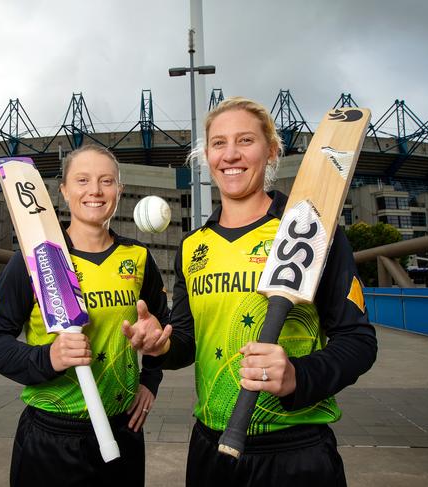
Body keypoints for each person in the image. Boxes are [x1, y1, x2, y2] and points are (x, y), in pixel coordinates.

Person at [123, 97, 378, 486]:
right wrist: (162, 346)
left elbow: (358, 340)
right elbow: (189, 341)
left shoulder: (311, 230)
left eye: (245, 141)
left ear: (271, 151)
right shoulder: (193, 246)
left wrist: (298, 375)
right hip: (211, 444)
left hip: (295, 450)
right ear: (206, 155)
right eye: (219, 143)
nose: (231, 155)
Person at [0, 145, 169, 487]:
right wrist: (46, 357)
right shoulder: (33, 260)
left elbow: (163, 329)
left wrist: (150, 379)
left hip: (122, 428)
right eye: (82, 180)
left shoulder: (138, 257)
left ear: (119, 190)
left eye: (106, 181)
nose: (94, 190)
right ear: (64, 190)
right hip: (52, 435)